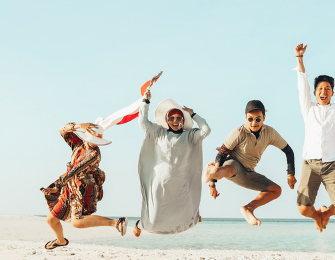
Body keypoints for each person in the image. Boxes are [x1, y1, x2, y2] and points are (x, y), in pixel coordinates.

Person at [132, 87, 212, 236]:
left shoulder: (190, 135)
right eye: (172, 118)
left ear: (183, 120)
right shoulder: (158, 132)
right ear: (167, 120)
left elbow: (206, 130)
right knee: (155, 216)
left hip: (180, 181)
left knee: (182, 211)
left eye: (179, 118)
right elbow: (142, 123)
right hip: (160, 181)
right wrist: (146, 102)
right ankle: (140, 224)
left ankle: (192, 217)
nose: (175, 121)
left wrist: (194, 114)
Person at [293, 43, 335, 232]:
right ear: (315, 93)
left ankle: (324, 214)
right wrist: (299, 58)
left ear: (332, 93)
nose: (323, 92)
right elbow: (302, 83)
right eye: (320, 89)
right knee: (303, 209)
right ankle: (316, 215)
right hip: (310, 164)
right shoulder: (308, 109)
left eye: (327, 89)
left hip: (332, 164)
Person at [204, 99, 295, 226]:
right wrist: (212, 184)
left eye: (258, 119)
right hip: (234, 163)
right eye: (250, 119)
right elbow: (222, 154)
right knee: (229, 169)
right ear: (245, 117)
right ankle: (211, 174)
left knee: (276, 190)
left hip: (248, 173)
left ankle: (249, 208)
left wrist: (290, 173)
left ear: (264, 118)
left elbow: (288, 151)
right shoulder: (238, 132)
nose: (254, 123)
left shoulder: (270, 133)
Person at [41, 122, 127, 250]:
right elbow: (62, 130)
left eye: (96, 141)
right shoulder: (78, 144)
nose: (93, 143)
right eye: (92, 139)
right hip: (69, 186)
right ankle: (61, 241)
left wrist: (57, 186)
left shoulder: (94, 154)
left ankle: (116, 223)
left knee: (77, 222)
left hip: (82, 189)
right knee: (51, 220)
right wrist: (78, 126)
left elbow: (74, 170)